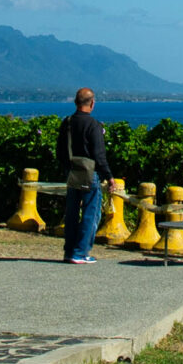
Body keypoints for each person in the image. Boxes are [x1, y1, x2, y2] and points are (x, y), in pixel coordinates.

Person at [57, 87, 109, 264]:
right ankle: (81, 252)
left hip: (72, 172)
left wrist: (66, 167)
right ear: (92, 103)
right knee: (91, 212)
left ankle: (69, 251)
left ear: (75, 102)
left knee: (71, 212)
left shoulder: (68, 122)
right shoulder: (93, 125)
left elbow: (60, 151)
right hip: (90, 173)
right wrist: (108, 176)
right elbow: (99, 155)